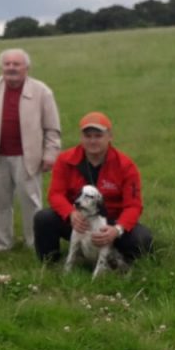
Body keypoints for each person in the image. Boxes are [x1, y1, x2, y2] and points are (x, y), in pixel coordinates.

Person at [0, 49, 62, 251]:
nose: (11, 68)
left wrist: (50, 154)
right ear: (2, 68)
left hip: (29, 157)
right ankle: (1, 243)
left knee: (30, 201)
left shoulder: (42, 91)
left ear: (27, 68)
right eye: (7, 64)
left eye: (16, 64)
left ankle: (35, 243)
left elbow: (52, 128)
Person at [33, 112, 154, 264]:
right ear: (81, 138)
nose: (92, 141)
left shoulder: (126, 166)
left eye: (98, 136)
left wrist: (116, 230)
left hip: (111, 220)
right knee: (43, 218)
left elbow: (133, 206)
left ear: (110, 137)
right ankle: (50, 263)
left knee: (142, 239)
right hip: (79, 220)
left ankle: (118, 263)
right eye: (88, 136)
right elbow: (55, 194)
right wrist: (70, 214)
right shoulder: (65, 160)